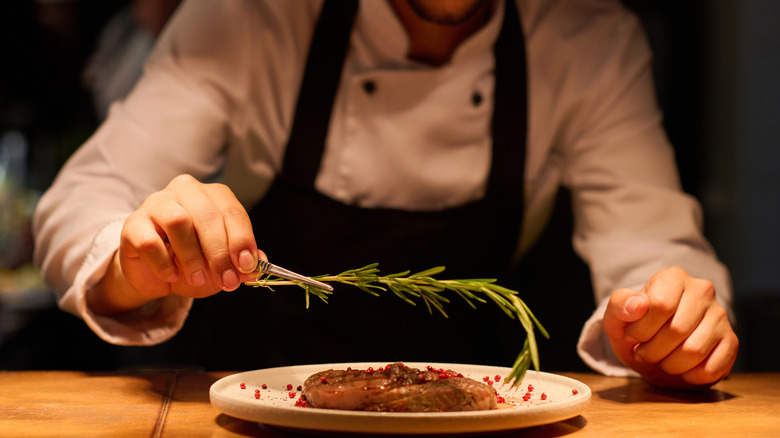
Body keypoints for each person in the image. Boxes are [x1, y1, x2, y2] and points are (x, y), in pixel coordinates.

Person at [33, 0, 737, 390]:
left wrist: (668, 321)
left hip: (487, 417)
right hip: (256, 412)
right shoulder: (249, 18)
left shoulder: (589, 39)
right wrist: (139, 258)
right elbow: (84, 200)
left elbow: (652, 244)